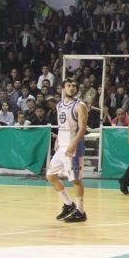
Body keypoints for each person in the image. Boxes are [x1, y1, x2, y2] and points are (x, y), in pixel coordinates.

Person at [45, 79, 89, 223]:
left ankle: (81, 212)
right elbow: (61, 125)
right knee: (50, 176)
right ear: (63, 88)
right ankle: (69, 205)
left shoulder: (80, 105)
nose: (72, 88)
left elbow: (83, 128)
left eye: (74, 86)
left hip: (74, 147)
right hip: (62, 146)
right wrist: (57, 139)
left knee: (76, 180)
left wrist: (73, 143)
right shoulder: (59, 105)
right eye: (69, 86)